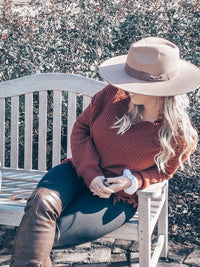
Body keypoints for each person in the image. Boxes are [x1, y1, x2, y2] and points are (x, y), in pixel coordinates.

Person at [11, 37, 200, 267]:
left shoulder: (179, 135)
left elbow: (163, 173)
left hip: (115, 198)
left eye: (134, 84)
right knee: (42, 204)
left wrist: (131, 181)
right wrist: (92, 175)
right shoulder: (112, 96)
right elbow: (80, 129)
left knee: (46, 234)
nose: (125, 87)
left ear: (160, 90)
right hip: (77, 171)